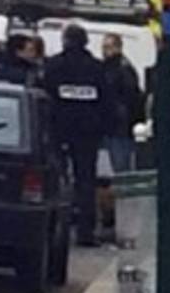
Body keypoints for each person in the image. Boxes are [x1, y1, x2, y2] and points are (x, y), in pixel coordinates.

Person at [44, 25, 112, 246]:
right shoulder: (96, 68)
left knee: (56, 179)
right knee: (86, 182)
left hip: (58, 129)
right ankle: (85, 232)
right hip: (87, 133)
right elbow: (106, 101)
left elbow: (45, 97)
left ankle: (54, 230)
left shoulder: (54, 66)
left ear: (65, 41)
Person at [101, 33, 143, 174]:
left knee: (120, 168)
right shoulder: (107, 67)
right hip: (109, 125)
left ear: (118, 47)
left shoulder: (123, 69)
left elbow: (131, 97)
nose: (104, 50)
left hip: (119, 127)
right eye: (104, 47)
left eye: (108, 47)